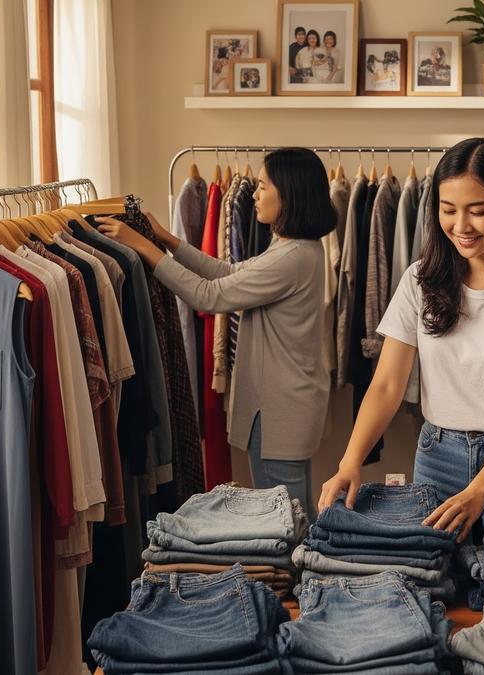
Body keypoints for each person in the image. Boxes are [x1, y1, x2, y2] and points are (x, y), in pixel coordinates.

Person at [318, 137, 484, 542]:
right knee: (433, 585)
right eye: (448, 210)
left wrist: (479, 490)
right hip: (439, 459)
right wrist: (351, 461)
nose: (461, 226)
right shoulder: (420, 280)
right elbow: (386, 385)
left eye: (478, 211)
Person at [97, 148, 336, 521]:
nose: (255, 195)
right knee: (291, 514)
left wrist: (141, 246)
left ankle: (297, 580)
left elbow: (209, 295)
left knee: (284, 521)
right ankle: (301, 578)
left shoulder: (292, 258)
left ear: (288, 194)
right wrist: (166, 239)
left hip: (279, 411)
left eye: (262, 186)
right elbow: (227, 273)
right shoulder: (294, 249)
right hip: (284, 407)